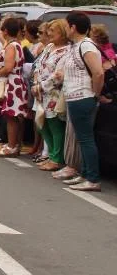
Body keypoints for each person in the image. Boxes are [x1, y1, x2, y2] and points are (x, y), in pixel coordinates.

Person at [52, 12, 104, 191]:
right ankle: (85, 174)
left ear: (73, 27)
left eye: (67, 25)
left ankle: (93, 178)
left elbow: (98, 73)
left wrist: (95, 94)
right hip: (75, 97)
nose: (66, 29)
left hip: (83, 97)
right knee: (82, 139)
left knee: (86, 139)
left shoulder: (87, 46)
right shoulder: (77, 46)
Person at [0, 17, 30, 157]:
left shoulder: (11, 46)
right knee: (14, 116)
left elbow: (9, 67)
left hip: (12, 84)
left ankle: (12, 146)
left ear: (5, 31)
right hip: (14, 83)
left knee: (11, 117)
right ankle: (15, 144)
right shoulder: (14, 44)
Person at [31, 20, 70, 172]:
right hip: (40, 92)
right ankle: (52, 155)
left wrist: (41, 86)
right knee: (41, 124)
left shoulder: (66, 51)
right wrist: (36, 82)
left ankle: (56, 158)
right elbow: (38, 65)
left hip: (53, 93)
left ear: (63, 32)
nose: (49, 33)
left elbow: (58, 75)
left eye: (53, 30)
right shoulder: (49, 47)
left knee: (54, 125)